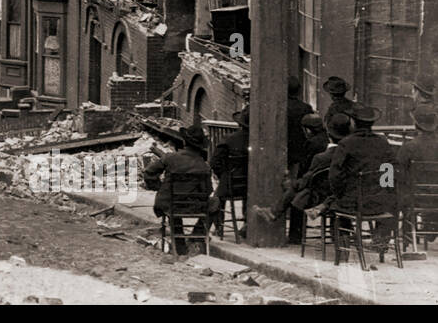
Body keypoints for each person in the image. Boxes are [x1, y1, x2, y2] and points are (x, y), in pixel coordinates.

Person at [256, 113, 352, 240]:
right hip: (344, 194)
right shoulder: (350, 153)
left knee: (297, 190)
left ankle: (279, 217)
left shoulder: (318, 155)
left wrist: (292, 184)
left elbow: (307, 176)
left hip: (320, 196)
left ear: (307, 130)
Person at [327, 105, 398, 245]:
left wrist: (340, 193)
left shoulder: (346, 143)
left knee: (334, 205)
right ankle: (381, 240)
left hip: (352, 203)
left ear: (353, 123)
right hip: (378, 202)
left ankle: (343, 243)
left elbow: (335, 175)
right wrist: (383, 192)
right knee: (392, 202)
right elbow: (391, 171)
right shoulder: (383, 143)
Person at [143, 125, 213, 254]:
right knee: (215, 203)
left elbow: (148, 172)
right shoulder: (204, 165)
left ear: (184, 142)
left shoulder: (170, 158)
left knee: (173, 204)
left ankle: (180, 245)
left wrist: (159, 187)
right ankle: (196, 236)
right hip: (194, 207)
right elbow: (208, 190)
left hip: (169, 204)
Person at [210, 108, 249, 236]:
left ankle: (219, 227)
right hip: (250, 185)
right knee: (248, 195)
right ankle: (247, 225)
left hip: (230, 185)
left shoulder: (228, 139)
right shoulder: (259, 140)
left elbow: (215, 162)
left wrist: (224, 176)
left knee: (216, 198)